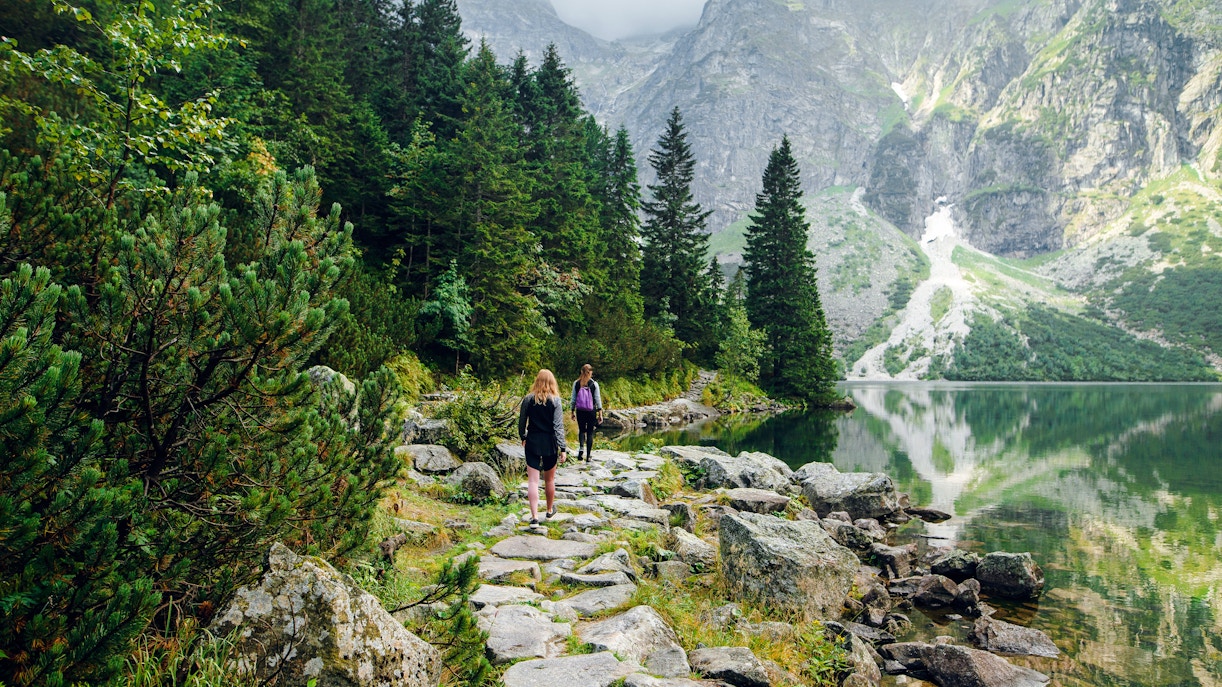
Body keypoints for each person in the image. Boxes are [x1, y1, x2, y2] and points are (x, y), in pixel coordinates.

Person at [519, 369, 567, 525]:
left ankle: (534, 517)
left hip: (532, 441)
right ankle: (548, 511)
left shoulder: (528, 399)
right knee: (549, 480)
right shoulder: (556, 401)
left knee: (533, 481)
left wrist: (523, 436)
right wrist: (563, 448)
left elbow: (521, 422)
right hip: (550, 443)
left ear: (537, 381)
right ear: (552, 382)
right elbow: (558, 426)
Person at [570, 363, 603, 462]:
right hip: (590, 411)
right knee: (589, 433)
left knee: (581, 430)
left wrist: (572, 411)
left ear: (581, 372)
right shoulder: (594, 384)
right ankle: (588, 456)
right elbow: (597, 399)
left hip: (580, 410)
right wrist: (600, 413)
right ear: (591, 372)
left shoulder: (576, 383)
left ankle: (581, 449)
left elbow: (573, 399)